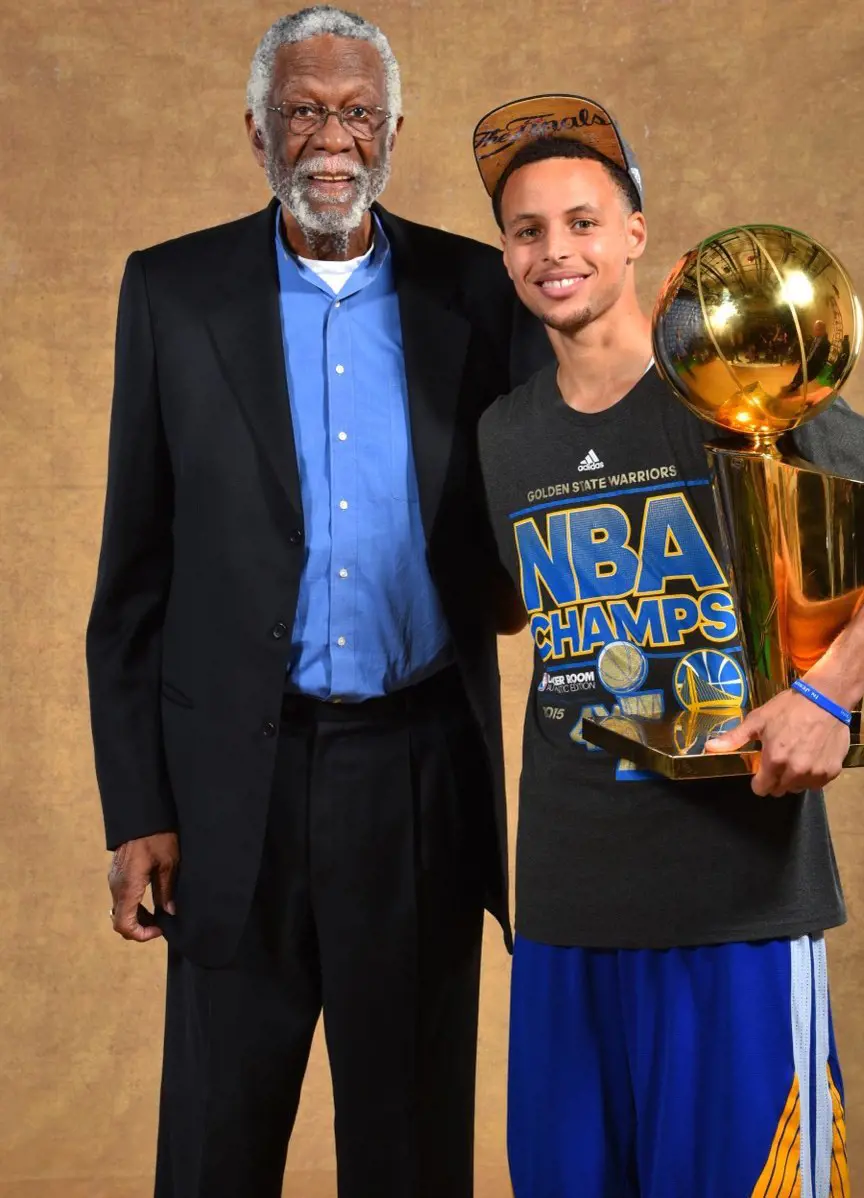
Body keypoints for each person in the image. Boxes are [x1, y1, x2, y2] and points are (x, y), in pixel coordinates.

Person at [85, 8, 548, 1197]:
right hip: (236, 784)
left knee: (410, 1150)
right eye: (303, 110)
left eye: (354, 113)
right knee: (214, 1148)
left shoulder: (476, 292)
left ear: (391, 130)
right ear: (257, 129)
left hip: (418, 774)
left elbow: (546, 494)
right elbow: (130, 580)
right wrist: (135, 808)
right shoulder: (172, 293)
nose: (329, 137)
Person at [472, 93, 864, 1198]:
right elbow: (508, 611)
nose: (557, 251)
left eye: (583, 221)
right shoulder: (503, 436)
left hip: (734, 902)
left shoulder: (731, 386)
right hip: (563, 905)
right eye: (528, 230)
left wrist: (829, 694)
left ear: (637, 234)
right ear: (505, 256)